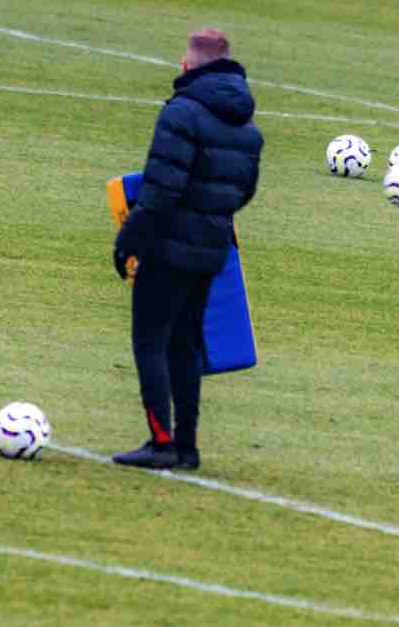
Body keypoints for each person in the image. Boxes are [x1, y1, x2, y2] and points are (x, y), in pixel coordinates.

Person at [112, 27, 262, 470]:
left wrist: (127, 242)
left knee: (150, 341)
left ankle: (161, 443)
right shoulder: (246, 122)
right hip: (211, 250)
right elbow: (243, 191)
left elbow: (161, 191)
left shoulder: (181, 113)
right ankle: (187, 446)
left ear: (188, 65)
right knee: (186, 346)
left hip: (167, 248)